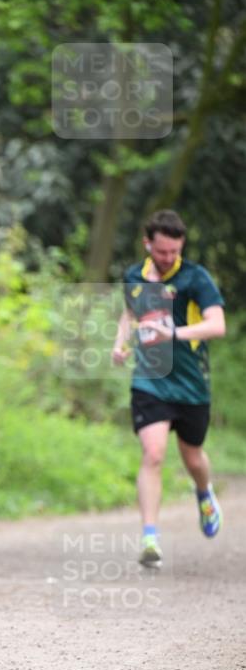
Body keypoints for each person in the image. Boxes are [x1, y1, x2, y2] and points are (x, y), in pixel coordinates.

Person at [112, 209, 225, 568]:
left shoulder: (196, 278)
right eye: (161, 252)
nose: (167, 259)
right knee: (154, 453)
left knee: (193, 457)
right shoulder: (134, 276)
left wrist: (173, 333)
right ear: (149, 244)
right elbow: (130, 314)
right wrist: (120, 343)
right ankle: (150, 537)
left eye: (174, 252)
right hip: (150, 380)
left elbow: (217, 325)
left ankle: (204, 493)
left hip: (192, 383)